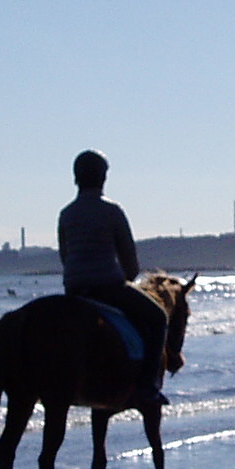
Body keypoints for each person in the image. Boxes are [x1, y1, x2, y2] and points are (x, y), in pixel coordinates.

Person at [57, 149, 167, 410]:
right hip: (107, 286)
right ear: (103, 177)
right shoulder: (112, 211)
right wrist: (128, 278)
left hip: (74, 289)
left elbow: (65, 255)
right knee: (159, 318)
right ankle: (147, 386)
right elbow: (129, 259)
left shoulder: (66, 213)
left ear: (76, 178)